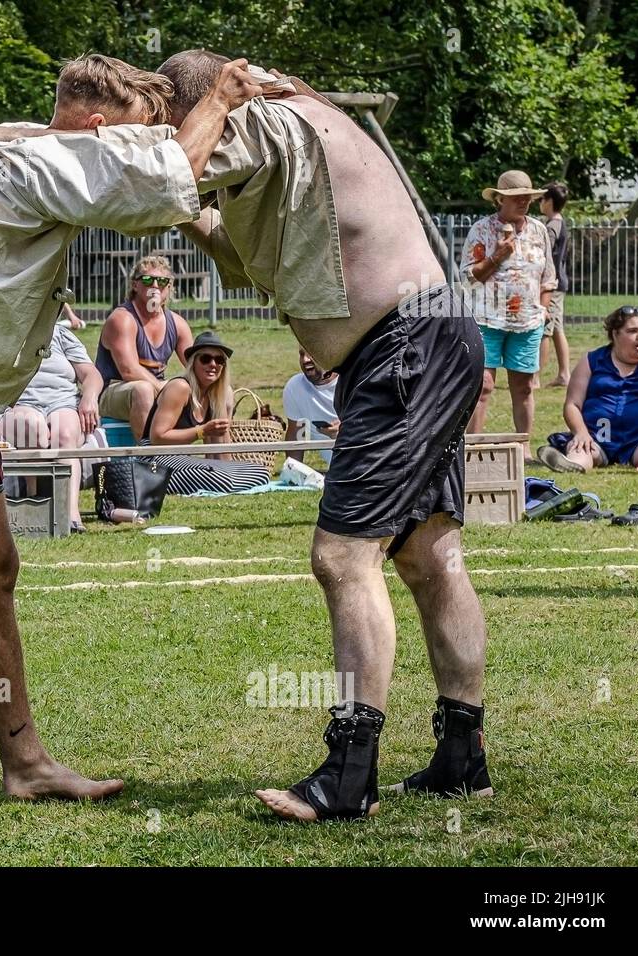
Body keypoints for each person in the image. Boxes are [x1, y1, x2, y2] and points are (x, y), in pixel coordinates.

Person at [0, 53, 262, 827]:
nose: (131, 152)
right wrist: (224, 95)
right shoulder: (34, 162)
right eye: (127, 137)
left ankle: (25, 765)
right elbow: (167, 182)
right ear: (96, 127)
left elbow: (9, 136)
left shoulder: (27, 145)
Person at [151, 49, 491, 822]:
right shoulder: (284, 138)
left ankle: (349, 775)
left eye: (174, 118)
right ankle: (461, 757)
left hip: (402, 348)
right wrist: (189, 216)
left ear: (205, 104)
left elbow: (162, 175)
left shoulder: (265, 119)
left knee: (343, 556)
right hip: (425, 339)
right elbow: (240, 261)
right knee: (429, 551)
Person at [461, 170, 558, 462]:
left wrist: (542, 309)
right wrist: (497, 256)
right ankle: (474, 446)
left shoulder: (539, 230)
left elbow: (548, 276)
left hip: (527, 322)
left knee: (524, 385)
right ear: (500, 199)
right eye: (517, 197)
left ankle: (524, 447)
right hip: (487, 320)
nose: (524, 202)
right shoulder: (482, 229)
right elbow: (469, 277)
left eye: (528, 197)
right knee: (483, 385)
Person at [0, 321, 103, 533]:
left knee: (64, 433)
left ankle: (71, 515)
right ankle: (34, 503)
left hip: (62, 401)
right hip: (21, 402)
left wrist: (90, 398)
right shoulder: (3, 332)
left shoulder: (60, 334)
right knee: (32, 428)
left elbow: (91, 375)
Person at [142, 330, 269, 494]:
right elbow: (157, 437)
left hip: (181, 458)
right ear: (193, 362)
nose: (213, 364)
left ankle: (223, 481)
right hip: (154, 459)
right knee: (219, 479)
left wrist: (228, 468)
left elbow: (222, 449)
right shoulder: (180, 387)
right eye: (206, 359)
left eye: (219, 360)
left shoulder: (215, 394)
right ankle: (220, 482)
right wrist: (202, 431)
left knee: (260, 472)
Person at [538, 305, 638, 472]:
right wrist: (580, 432)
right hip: (596, 439)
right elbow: (572, 405)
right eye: (632, 331)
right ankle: (572, 465)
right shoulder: (592, 360)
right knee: (580, 449)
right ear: (615, 334)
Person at [93, 257, 194, 439]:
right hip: (113, 390)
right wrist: (167, 391)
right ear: (135, 285)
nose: (155, 285)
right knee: (143, 390)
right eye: (147, 280)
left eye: (162, 281)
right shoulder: (122, 319)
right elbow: (129, 371)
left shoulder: (178, 324)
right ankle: (148, 458)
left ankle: (221, 461)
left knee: (217, 392)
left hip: (154, 388)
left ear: (169, 287)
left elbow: (196, 367)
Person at [281, 349, 339, 465]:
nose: (305, 360)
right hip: (338, 472)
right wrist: (293, 474)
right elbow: (297, 435)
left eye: (311, 353)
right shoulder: (295, 387)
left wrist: (346, 432)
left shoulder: (354, 382)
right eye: (301, 354)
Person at [538, 182, 571, 387]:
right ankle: (564, 374)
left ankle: (534, 378)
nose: (540, 203)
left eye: (541, 199)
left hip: (553, 285)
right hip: (561, 282)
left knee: (544, 330)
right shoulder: (560, 222)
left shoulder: (551, 227)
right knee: (557, 330)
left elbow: (544, 255)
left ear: (549, 201)